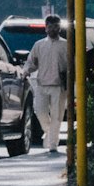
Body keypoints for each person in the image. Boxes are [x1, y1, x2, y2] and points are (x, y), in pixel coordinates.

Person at [23, 14, 69, 153]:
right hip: (41, 84)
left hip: (59, 86)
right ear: (46, 28)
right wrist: (26, 71)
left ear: (59, 28)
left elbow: (72, 65)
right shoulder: (39, 45)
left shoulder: (66, 45)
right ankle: (49, 132)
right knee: (40, 112)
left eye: (56, 26)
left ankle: (53, 145)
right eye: (50, 27)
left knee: (57, 116)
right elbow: (32, 63)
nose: (53, 29)